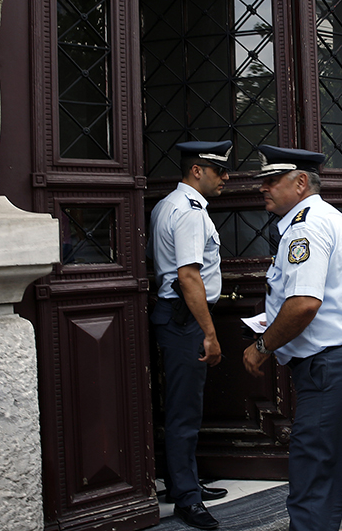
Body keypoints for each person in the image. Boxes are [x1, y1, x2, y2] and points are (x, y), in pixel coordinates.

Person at [243, 145, 342, 531]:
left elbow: (304, 304)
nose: (263, 188)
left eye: (272, 180)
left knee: (314, 489)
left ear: (301, 182)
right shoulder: (331, 217)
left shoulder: (304, 227)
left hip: (332, 369)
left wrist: (262, 346)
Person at [148, 140, 232, 530]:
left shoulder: (168, 204)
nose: (225, 178)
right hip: (185, 320)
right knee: (185, 411)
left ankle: (184, 481)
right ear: (197, 171)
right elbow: (188, 276)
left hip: (174, 315)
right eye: (219, 171)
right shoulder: (189, 212)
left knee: (182, 406)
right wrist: (209, 333)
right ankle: (186, 498)